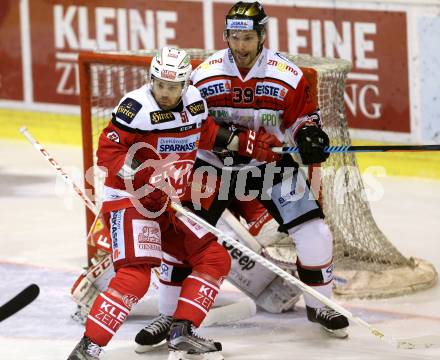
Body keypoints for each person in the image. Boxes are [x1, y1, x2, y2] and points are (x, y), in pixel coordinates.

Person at [134, 1, 349, 348]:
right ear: (226, 36)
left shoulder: (287, 75)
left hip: (267, 168)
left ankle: (319, 305)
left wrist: (308, 135)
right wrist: (237, 141)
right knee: (182, 237)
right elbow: (190, 123)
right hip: (212, 167)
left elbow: (301, 120)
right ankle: (169, 314)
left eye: (248, 37)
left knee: (316, 232)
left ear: (261, 36)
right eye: (234, 37)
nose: (241, 45)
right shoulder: (205, 74)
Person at [66, 47, 269, 360]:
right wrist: (145, 181)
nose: (165, 92)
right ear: (152, 79)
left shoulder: (196, 103)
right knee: (135, 276)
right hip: (132, 201)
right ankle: (88, 348)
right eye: (160, 84)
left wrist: (249, 144)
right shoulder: (135, 108)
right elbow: (108, 154)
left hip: (171, 203)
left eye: (173, 86)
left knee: (214, 257)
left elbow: (207, 134)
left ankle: (182, 331)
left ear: (185, 84)